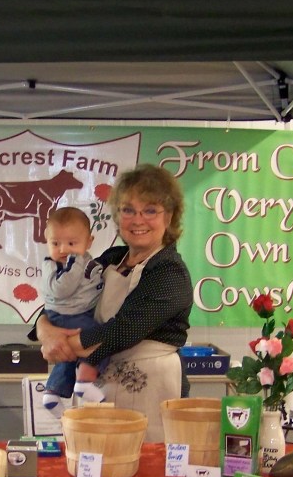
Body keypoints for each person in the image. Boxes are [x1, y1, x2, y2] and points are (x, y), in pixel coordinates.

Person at [31, 164, 192, 442]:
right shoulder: (110, 258)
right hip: (98, 382)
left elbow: (123, 330)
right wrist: (44, 329)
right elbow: (62, 301)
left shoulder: (169, 271)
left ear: (169, 216)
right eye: (128, 210)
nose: (137, 219)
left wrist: (64, 346)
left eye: (150, 210)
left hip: (149, 388)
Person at [40, 207, 106, 413]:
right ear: (46, 240)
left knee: (69, 355)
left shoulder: (87, 261)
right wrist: (76, 263)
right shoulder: (56, 266)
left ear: (89, 242)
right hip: (69, 316)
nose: (63, 250)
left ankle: (52, 392)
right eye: (55, 243)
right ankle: (85, 380)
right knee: (100, 343)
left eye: (71, 243)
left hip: (77, 313)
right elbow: (61, 289)